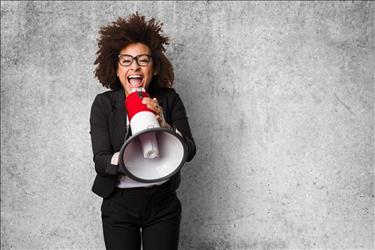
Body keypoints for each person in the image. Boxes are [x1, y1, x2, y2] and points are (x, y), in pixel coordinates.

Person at [89, 12, 196, 250]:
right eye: (126, 60)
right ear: (116, 69)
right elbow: (101, 160)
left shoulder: (168, 99)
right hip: (119, 203)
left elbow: (189, 150)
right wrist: (129, 159)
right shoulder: (104, 105)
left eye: (143, 60)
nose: (134, 66)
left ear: (155, 68)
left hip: (162, 203)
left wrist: (165, 126)